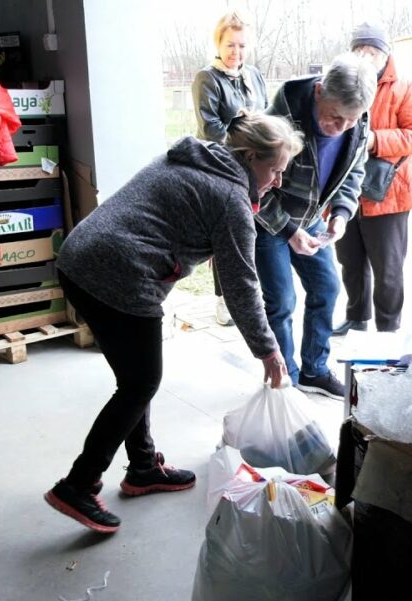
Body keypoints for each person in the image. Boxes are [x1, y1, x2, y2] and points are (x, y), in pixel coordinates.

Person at [45, 111, 303, 534]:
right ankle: (78, 484)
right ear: (250, 157)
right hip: (119, 275)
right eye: (275, 170)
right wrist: (268, 351)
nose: (277, 181)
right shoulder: (230, 198)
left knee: (134, 380)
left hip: (79, 260)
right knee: (140, 383)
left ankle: (143, 467)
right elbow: (241, 287)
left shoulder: (191, 157)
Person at [255, 53, 377, 400]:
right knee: (281, 301)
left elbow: (354, 171)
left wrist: (341, 213)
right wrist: (288, 231)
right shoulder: (281, 117)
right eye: (335, 117)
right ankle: (285, 382)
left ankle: (315, 370)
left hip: (311, 220)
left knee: (326, 289)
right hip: (269, 222)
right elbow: (254, 185)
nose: (342, 127)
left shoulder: (357, 122)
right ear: (319, 91)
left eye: (351, 120)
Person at [334, 23, 412, 335]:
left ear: (385, 53)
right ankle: (356, 317)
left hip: (389, 193)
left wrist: (375, 140)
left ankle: (388, 330)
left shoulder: (405, 87)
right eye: (359, 50)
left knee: (388, 270)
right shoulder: (343, 83)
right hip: (348, 191)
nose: (366, 56)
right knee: (350, 260)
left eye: (373, 51)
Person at [192, 10, 269, 327]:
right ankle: (223, 298)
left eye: (242, 46)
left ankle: (250, 295)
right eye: (230, 45)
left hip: (255, 169)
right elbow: (211, 128)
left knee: (252, 234)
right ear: (218, 44)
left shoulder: (254, 76)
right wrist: (248, 136)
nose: (236, 52)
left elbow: (267, 115)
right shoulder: (207, 78)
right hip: (222, 167)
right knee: (227, 235)